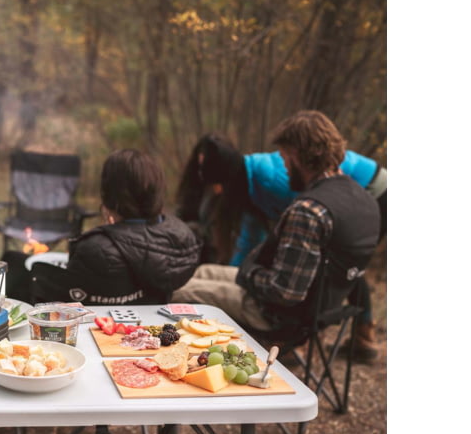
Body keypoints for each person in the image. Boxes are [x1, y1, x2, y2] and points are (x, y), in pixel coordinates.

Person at [171, 110, 381, 354]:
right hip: (319, 307)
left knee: (179, 290)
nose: (283, 165)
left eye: (283, 157)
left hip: (279, 315)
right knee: (202, 271)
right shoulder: (365, 200)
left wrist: (250, 273)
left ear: (295, 155)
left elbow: (285, 292)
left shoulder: (309, 211)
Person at [25, 149, 201, 305]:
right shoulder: (181, 236)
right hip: (153, 320)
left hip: (100, 331)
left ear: (110, 194)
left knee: (19, 267)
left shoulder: (95, 250)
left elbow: (72, 301)